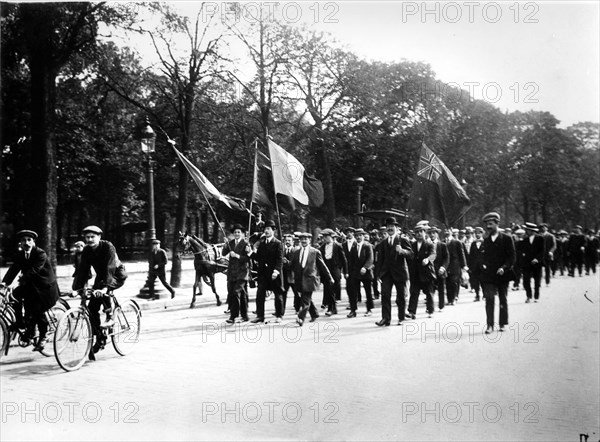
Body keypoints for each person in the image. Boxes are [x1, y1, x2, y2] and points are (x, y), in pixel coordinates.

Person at [1, 230, 60, 351]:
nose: (26, 243)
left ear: (33, 242)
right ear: (20, 243)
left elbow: (35, 269)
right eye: (23, 240)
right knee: (13, 296)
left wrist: (21, 279)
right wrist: (4, 283)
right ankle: (20, 322)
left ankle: (43, 335)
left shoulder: (40, 253)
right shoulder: (21, 254)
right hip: (30, 285)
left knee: (37, 310)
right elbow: (14, 269)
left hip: (44, 288)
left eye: (29, 240)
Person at [72, 225, 126, 356]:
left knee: (102, 291)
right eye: (87, 237)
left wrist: (106, 287)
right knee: (91, 309)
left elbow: (110, 267)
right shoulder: (87, 251)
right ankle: (100, 337)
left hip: (116, 275)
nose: (90, 240)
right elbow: (83, 270)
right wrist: (77, 289)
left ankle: (109, 316)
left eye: (92, 237)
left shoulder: (108, 247)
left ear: (99, 237)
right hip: (101, 278)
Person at [479, 212, 516, 334]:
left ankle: (502, 323)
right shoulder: (486, 240)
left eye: (491, 224)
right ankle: (490, 325)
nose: (488, 227)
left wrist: (504, 268)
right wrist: (483, 264)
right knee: (489, 298)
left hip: (503, 274)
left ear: (497, 224)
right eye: (487, 225)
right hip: (489, 275)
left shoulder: (507, 238)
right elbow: (483, 256)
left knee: (503, 298)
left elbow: (512, 257)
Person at [376, 217, 413, 326]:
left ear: (397, 228)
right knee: (385, 295)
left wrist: (402, 251)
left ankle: (401, 318)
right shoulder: (383, 243)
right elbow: (380, 260)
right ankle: (386, 319)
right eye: (388, 226)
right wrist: (378, 274)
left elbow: (411, 254)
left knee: (400, 297)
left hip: (400, 273)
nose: (390, 228)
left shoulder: (402, 240)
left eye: (392, 226)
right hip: (386, 274)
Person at [291, 232, 333, 326]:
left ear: (309, 240)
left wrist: (329, 277)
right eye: (302, 239)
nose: (304, 241)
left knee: (305, 300)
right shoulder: (296, 252)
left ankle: (300, 318)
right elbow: (292, 265)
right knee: (306, 298)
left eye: (306, 239)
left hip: (310, 280)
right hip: (299, 280)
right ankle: (315, 314)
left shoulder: (315, 252)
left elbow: (323, 266)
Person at [248, 220, 284, 323]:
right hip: (263, 273)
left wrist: (276, 271)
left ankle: (279, 315)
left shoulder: (278, 244)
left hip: (274, 274)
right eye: (265, 229)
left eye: (268, 229)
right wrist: (250, 252)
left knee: (278, 294)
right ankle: (260, 316)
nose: (266, 231)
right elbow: (258, 257)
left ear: (274, 231)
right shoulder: (262, 243)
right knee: (260, 294)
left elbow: (280, 259)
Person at [407, 221, 436, 319]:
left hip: (426, 272)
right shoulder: (413, 245)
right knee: (414, 292)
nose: (419, 234)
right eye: (417, 232)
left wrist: (427, 259)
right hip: (415, 273)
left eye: (421, 231)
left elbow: (433, 254)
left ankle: (430, 310)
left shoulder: (429, 244)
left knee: (429, 292)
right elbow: (410, 256)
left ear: (425, 233)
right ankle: (411, 312)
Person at [222, 224, 251, 324]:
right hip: (232, 273)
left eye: (239, 232)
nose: (237, 234)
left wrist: (237, 255)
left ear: (242, 234)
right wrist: (225, 245)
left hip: (242, 273)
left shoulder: (246, 244)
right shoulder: (230, 243)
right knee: (240, 294)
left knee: (235, 292)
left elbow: (247, 259)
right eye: (235, 232)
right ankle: (245, 316)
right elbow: (223, 253)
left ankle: (233, 316)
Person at [318, 228, 347, 316]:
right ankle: (332, 308)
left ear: (331, 236)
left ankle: (332, 308)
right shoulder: (322, 247)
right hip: (326, 271)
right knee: (328, 289)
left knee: (333, 289)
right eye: (324, 237)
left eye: (326, 236)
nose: (325, 238)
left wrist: (345, 271)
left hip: (335, 270)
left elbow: (344, 259)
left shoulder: (338, 246)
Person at [347, 228, 374, 317]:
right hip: (355, 273)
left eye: (360, 235)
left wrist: (365, 267)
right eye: (357, 236)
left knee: (368, 291)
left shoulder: (367, 245)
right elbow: (350, 260)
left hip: (366, 272)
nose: (358, 237)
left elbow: (370, 258)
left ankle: (369, 309)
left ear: (363, 236)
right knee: (353, 292)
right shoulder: (353, 247)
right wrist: (349, 271)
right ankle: (353, 310)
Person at [517, 223, 545, 303]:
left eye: (528, 230)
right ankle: (528, 296)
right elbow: (519, 250)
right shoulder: (524, 240)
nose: (526, 231)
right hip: (527, 264)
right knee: (526, 281)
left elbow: (542, 251)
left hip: (537, 263)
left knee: (537, 281)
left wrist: (537, 259)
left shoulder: (540, 239)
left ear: (533, 231)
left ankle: (536, 297)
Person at [445, 228, 467, 306]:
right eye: (446, 231)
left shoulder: (457, 242)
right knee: (447, 282)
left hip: (455, 265)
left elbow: (462, 254)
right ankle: (449, 299)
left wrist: (464, 265)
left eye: (448, 231)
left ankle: (454, 297)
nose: (447, 232)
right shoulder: (443, 242)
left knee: (454, 282)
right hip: (446, 266)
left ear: (451, 232)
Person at [429, 226, 449, 310]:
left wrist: (443, 267)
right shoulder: (427, 245)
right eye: (430, 233)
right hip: (430, 271)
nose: (432, 235)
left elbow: (446, 257)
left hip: (440, 270)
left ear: (437, 234)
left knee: (441, 289)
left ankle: (441, 306)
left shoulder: (442, 245)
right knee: (430, 290)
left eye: (434, 233)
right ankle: (430, 308)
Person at [468, 227, 485, 302]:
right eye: (476, 233)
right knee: (475, 281)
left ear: (482, 233)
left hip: (483, 266)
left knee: (483, 281)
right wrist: (470, 266)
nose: (477, 234)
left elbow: (488, 255)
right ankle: (477, 295)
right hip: (475, 266)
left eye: (479, 233)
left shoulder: (485, 243)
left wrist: (486, 264)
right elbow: (470, 256)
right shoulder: (473, 244)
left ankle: (485, 295)